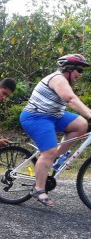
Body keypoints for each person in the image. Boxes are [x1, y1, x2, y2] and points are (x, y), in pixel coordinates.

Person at [20, 54, 91, 206]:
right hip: (36, 117)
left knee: (81, 125)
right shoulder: (58, 79)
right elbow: (70, 99)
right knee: (48, 152)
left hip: (54, 115)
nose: (80, 74)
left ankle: (57, 156)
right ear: (69, 69)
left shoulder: (64, 80)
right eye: (79, 70)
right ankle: (38, 189)